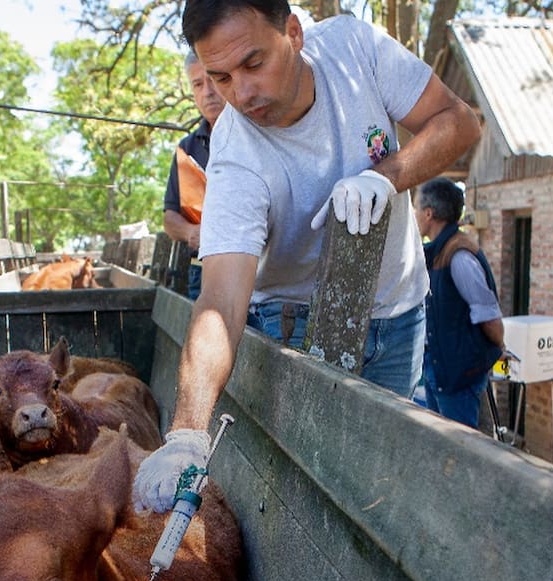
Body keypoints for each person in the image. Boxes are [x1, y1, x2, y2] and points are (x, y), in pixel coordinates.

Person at [133, 0, 481, 513]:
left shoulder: (355, 50)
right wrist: (186, 433)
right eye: (220, 77)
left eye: (254, 64)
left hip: (401, 311)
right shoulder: (234, 153)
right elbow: (222, 301)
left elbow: (460, 121)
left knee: (383, 488)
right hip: (291, 326)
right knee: (307, 501)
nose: (241, 94)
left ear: (293, 32)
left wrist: (385, 178)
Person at [415, 177, 503, 429]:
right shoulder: (438, 250)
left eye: (417, 209)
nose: (415, 215)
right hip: (440, 371)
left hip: (459, 375)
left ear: (429, 213)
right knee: (441, 448)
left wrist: (498, 345)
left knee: (462, 451)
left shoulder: (459, 255)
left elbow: (489, 317)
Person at [163, 51, 225, 300]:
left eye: (213, 80)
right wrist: (192, 233)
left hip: (257, 272)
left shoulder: (256, 132)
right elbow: (170, 218)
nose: (207, 91)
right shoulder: (186, 150)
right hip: (201, 272)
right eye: (198, 84)